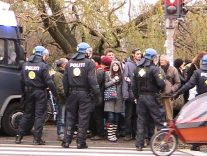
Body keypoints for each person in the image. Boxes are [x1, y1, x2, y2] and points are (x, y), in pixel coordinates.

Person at [62, 42, 101, 149]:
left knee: (70, 117)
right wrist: (97, 94)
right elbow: (92, 80)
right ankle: (80, 142)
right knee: (83, 118)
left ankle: (66, 141)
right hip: (84, 94)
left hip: (72, 93)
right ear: (86, 52)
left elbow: (64, 80)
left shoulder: (69, 63)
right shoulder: (89, 63)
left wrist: (67, 94)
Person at [15, 45, 57, 145]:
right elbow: (49, 82)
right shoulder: (43, 66)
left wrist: (23, 93)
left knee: (27, 114)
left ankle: (19, 137)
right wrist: (55, 94)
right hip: (40, 93)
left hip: (28, 92)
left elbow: (21, 80)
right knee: (39, 116)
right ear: (42, 55)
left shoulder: (25, 65)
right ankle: (37, 139)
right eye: (46, 55)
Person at [132, 48, 166, 151]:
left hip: (141, 97)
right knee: (159, 120)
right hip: (152, 97)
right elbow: (161, 84)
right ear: (152, 58)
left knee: (141, 121)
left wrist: (137, 96)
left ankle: (139, 144)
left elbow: (133, 86)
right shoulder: (155, 69)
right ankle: (164, 145)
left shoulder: (137, 68)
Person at [174, 54, 207, 151]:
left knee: (198, 122)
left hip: (200, 102)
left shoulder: (197, 73)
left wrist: (178, 93)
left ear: (202, 63)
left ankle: (196, 143)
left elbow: (189, 85)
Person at [122, 48, 142, 141]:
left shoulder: (141, 64)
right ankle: (128, 133)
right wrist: (125, 94)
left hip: (139, 94)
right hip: (130, 93)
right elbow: (125, 79)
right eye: (137, 54)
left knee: (137, 115)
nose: (139, 55)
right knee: (129, 115)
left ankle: (135, 133)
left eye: (140, 54)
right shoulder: (128, 64)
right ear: (133, 54)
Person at [104, 60, 123, 142]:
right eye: (114, 65)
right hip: (110, 98)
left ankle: (113, 134)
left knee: (116, 118)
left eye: (117, 65)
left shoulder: (122, 75)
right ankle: (109, 135)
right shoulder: (107, 74)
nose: (115, 67)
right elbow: (105, 85)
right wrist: (113, 80)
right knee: (110, 117)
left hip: (119, 99)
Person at [159, 55, 181, 121]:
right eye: (160, 60)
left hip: (168, 96)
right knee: (159, 116)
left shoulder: (173, 69)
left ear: (167, 61)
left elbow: (178, 83)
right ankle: (159, 130)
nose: (160, 61)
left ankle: (169, 129)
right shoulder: (157, 69)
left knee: (169, 117)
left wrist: (172, 89)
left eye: (162, 60)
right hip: (158, 95)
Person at [53, 58, 68, 141]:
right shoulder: (58, 75)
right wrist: (68, 96)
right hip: (62, 99)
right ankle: (61, 133)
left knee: (64, 117)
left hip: (65, 99)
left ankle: (64, 133)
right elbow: (60, 89)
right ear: (63, 65)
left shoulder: (64, 73)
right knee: (61, 118)